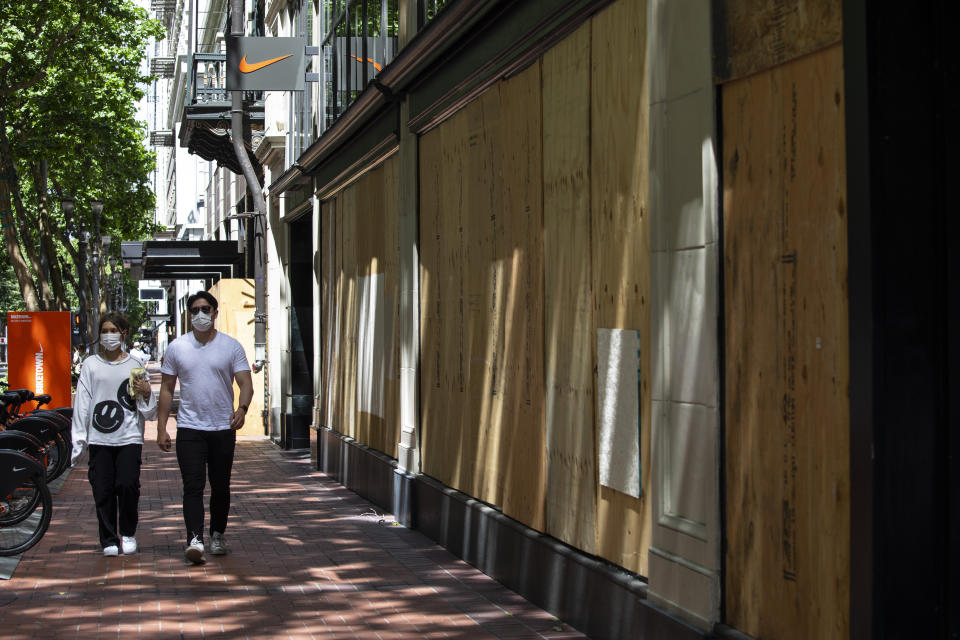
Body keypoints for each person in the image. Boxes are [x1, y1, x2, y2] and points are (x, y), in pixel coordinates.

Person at [156, 291, 252, 564]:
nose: (201, 314)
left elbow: (246, 383)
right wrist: (162, 427)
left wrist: (242, 409)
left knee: (220, 485)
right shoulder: (177, 347)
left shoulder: (231, 346)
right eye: (195, 309)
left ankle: (217, 534)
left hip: (222, 428)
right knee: (193, 486)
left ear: (215, 312)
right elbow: (166, 388)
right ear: (189, 314)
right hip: (189, 428)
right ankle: (194, 539)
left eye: (206, 309)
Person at [71, 312, 156, 557]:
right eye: (104, 331)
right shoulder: (90, 365)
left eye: (113, 331)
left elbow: (147, 412)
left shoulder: (135, 366)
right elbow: (82, 405)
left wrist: (148, 392)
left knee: (128, 485)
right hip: (99, 438)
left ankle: (127, 532)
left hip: (129, 437)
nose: (108, 336)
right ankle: (108, 538)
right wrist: (79, 440)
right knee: (103, 489)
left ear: (123, 333)